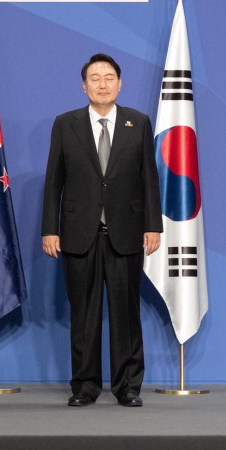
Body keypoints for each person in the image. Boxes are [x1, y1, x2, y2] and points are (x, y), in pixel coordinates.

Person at [42, 53, 162, 408]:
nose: (102, 84)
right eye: (95, 78)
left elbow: (149, 180)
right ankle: (85, 386)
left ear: (120, 83)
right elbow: (53, 182)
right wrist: (50, 228)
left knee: (126, 316)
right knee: (84, 315)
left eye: (109, 77)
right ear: (84, 85)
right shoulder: (66, 124)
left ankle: (127, 387)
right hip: (80, 233)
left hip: (126, 233)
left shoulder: (137, 123)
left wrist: (152, 225)